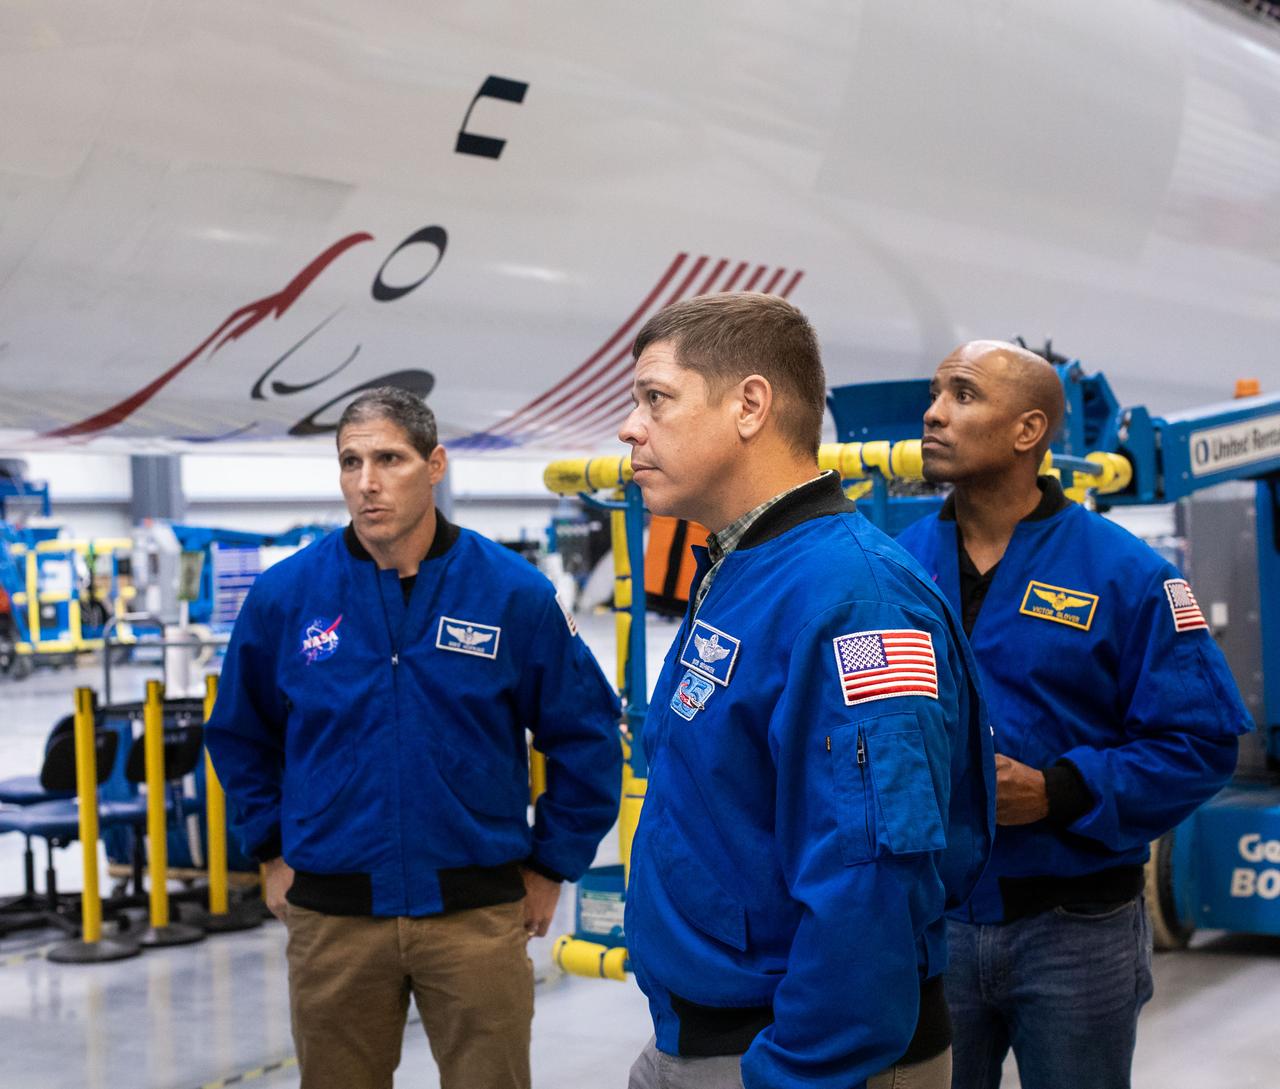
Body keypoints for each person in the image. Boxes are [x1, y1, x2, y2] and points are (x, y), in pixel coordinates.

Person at [617, 293, 995, 1089]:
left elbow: (874, 877)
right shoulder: (745, 569)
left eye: (656, 398)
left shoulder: (855, 599)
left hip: (802, 1058)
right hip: (712, 1032)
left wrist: (794, 1072)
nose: (630, 426)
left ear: (749, 404)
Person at [205, 387, 622, 1089]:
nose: (367, 482)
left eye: (389, 458)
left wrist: (553, 864)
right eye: (350, 461)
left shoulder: (512, 594)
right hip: (333, 918)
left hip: (476, 916)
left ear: (435, 465)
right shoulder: (286, 597)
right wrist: (270, 848)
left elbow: (586, 736)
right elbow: (240, 734)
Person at [896, 340, 1252, 1089]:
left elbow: (1202, 742)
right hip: (933, 922)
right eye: (934, 393)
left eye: (962, 394)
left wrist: (1062, 789)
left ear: (1028, 431)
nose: (932, 412)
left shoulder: (1127, 574)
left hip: (1074, 935)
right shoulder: (895, 566)